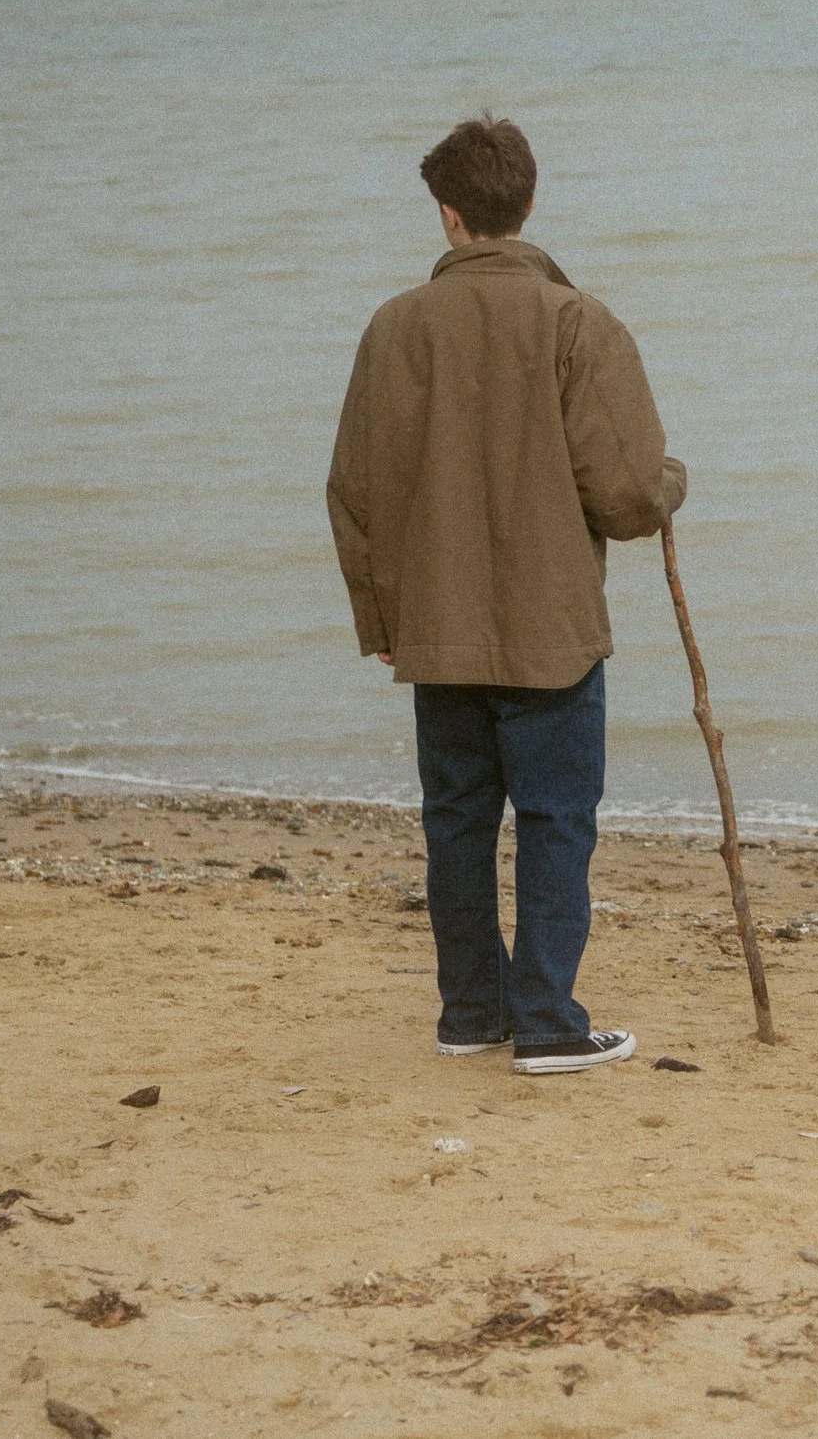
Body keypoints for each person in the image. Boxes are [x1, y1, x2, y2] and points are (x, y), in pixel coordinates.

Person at [327, 114, 687, 1075]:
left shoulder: (393, 327)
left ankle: (471, 1012)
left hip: (435, 634)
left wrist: (383, 624)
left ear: (449, 216)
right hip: (550, 633)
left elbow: (354, 493)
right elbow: (624, 494)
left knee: (457, 823)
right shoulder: (579, 321)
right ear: (528, 204)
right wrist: (671, 483)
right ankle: (547, 1022)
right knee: (557, 821)